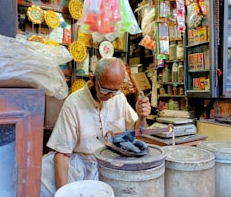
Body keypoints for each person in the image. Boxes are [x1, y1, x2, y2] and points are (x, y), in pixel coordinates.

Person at [40, 57, 151, 196]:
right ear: (93, 79)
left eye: (115, 90)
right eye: (105, 90)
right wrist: (64, 192)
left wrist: (142, 117)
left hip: (114, 162)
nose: (110, 95)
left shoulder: (119, 98)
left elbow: (138, 133)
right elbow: (62, 153)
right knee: (41, 173)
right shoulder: (74, 103)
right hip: (83, 164)